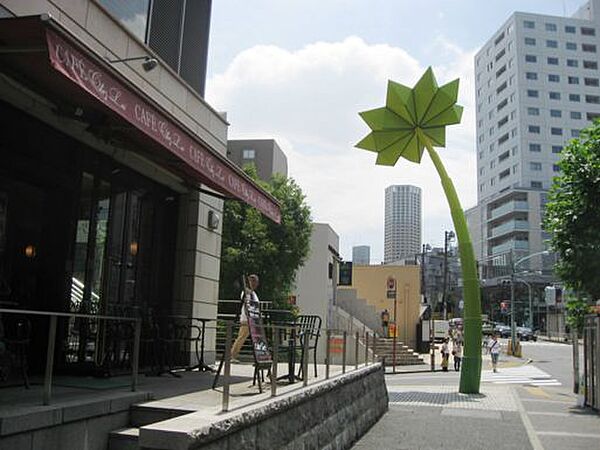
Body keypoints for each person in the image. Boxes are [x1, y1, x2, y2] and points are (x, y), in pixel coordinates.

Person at [230, 274, 260, 362]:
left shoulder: (253, 293)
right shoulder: (246, 292)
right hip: (247, 319)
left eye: (255, 281)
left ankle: (258, 358)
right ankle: (232, 355)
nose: (254, 283)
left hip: (253, 319)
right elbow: (247, 305)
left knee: (254, 339)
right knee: (242, 337)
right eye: (252, 281)